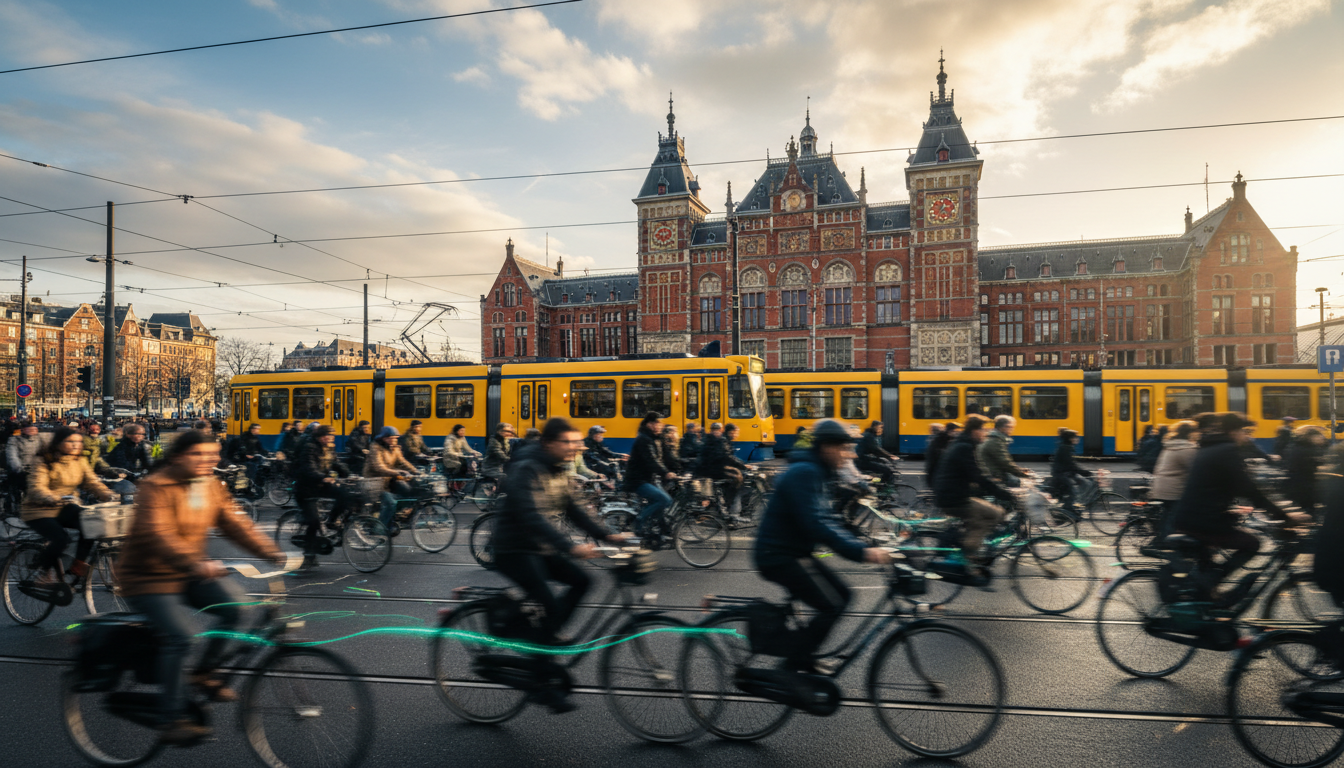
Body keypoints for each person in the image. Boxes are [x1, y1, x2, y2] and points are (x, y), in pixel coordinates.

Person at [116, 430, 285, 744]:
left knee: (237, 611)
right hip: (147, 577)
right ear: (178, 456)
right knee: (181, 638)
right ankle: (171, 716)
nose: (209, 460)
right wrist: (194, 563)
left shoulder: (211, 485)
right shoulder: (155, 487)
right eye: (199, 454)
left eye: (213, 455)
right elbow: (158, 535)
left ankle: (203, 673)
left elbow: (234, 523)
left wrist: (270, 551)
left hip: (187, 572)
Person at [493, 417, 627, 712]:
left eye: (576, 443)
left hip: (539, 547)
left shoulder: (560, 468)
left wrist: (608, 535)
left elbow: (574, 508)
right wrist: (570, 546)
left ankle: (546, 636)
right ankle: (540, 681)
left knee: (583, 581)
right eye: (567, 443)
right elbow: (531, 516)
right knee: (549, 603)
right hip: (512, 547)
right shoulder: (527, 468)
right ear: (548, 444)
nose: (574, 448)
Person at [755, 419, 892, 674]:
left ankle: (802, 656)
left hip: (793, 551)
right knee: (833, 603)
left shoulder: (818, 471)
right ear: (828, 448)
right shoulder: (806, 473)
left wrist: (863, 543)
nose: (851, 454)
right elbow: (817, 524)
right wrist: (861, 552)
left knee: (842, 595)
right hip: (778, 555)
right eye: (845, 448)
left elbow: (829, 519)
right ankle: (794, 664)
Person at [1171, 413, 1311, 605]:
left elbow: (1220, 487)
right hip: (1201, 520)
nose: (1249, 437)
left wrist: (1231, 509)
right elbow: (1249, 488)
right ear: (1234, 432)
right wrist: (1284, 514)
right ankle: (1211, 584)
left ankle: (1207, 592)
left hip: (1195, 516)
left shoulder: (1212, 446)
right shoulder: (1226, 450)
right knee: (1252, 543)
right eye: (1246, 432)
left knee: (1212, 560)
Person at [22, 426, 118, 592]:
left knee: (92, 525)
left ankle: (77, 566)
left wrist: (109, 495)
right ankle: (43, 574)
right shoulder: (44, 460)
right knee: (60, 538)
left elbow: (91, 482)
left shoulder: (79, 461)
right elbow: (36, 487)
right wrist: (51, 497)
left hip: (66, 506)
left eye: (79, 442)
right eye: (71, 442)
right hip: (39, 509)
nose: (76, 445)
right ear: (59, 443)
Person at [933, 415, 1013, 576]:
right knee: (993, 514)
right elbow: (977, 476)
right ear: (975, 431)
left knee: (988, 512)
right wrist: (1004, 493)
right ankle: (968, 556)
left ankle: (970, 547)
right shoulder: (964, 447)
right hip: (953, 498)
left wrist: (995, 485)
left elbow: (978, 473)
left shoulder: (964, 444)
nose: (986, 432)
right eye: (983, 429)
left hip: (955, 494)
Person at [293, 425, 356, 572]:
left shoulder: (328, 447)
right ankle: (308, 556)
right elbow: (309, 468)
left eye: (332, 436)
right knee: (313, 521)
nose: (331, 439)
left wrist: (349, 474)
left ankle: (332, 521)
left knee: (345, 495)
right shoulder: (310, 447)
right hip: (305, 488)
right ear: (321, 437)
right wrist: (323, 477)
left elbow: (336, 463)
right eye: (328, 436)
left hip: (321, 484)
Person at [626, 412, 675, 538]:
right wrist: (666, 473)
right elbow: (652, 460)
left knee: (661, 502)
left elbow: (667, 457)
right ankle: (639, 520)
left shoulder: (656, 438)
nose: (660, 426)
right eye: (658, 423)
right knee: (664, 500)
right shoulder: (644, 439)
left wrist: (682, 466)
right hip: (637, 480)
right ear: (650, 424)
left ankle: (663, 531)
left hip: (649, 479)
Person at [364, 426, 417, 526]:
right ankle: (380, 527)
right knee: (390, 503)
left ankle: (394, 516)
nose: (394, 440)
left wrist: (416, 471)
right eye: (391, 438)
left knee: (409, 491)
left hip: (389, 480)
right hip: (376, 482)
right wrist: (397, 472)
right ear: (384, 438)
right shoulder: (375, 448)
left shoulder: (395, 448)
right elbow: (378, 467)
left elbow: (402, 461)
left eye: (395, 438)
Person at [1150, 420, 1199, 509]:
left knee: (1167, 516)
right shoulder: (1186, 448)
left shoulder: (1172, 445)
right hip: (1175, 491)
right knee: (1175, 518)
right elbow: (1196, 470)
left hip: (1161, 488)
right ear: (1191, 433)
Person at [977, 415, 1032, 489]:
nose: (1012, 430)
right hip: (993, 474)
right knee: (1016, 482)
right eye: (1010, 427)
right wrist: (1022, 474)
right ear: (1002, 427)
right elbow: (1005, 462)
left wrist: (1020, 470)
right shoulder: (995, 441)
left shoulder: (994, 438)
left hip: (991, 471)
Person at [1284, 424, 1328, 516]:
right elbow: (1313, 465)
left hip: (1301, 484)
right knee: (1311, 508)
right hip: (1304, 484)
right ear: (1311, 437)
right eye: (1319, 437)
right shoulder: (1305, 449)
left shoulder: (1299, 446)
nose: (1322, 438)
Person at [1050, 428, 1093, 514]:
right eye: (1075, 437)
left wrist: (1083, 472)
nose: (1077, 439)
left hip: (1067, 473)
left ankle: (1078, 503)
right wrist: (1084, 472)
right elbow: (1071, 465)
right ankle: (1068, 510)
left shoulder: (1067, 447)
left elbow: (1072, 464)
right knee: (1073, 491)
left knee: (1086, 483)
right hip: (1062, 474)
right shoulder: (1065, 449)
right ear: (1070, 439)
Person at [6, 422, 47, 503]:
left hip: (38, 470)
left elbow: (48, 450)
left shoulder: (40, 439)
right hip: (22, 470)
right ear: (23, 430)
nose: (33, 430)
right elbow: (12, 456)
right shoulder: (14, 440)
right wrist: (18, 468)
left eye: (34, 428)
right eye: (30, 428)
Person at [924, 421, 960, 487]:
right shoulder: (941, 440)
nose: (957, 433)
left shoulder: (946, 439)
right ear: (950, 431)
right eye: (955, 431)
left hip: (938, 476)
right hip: (938, 476)